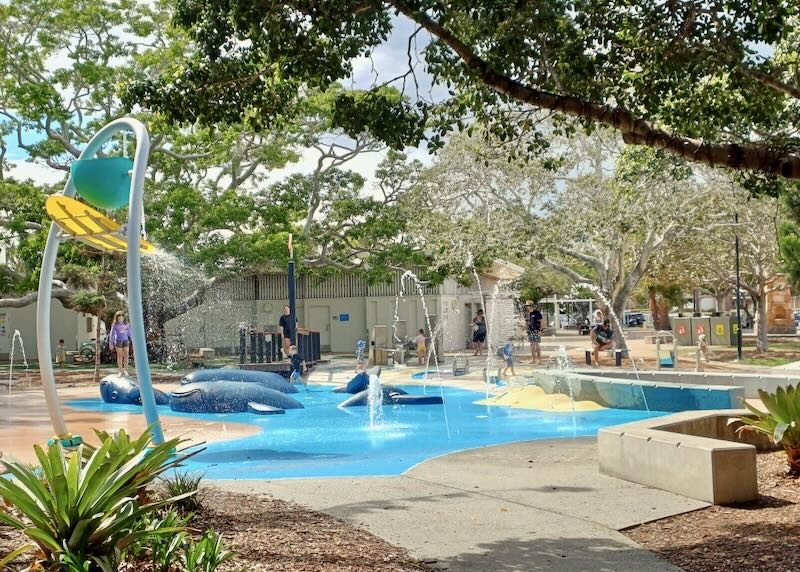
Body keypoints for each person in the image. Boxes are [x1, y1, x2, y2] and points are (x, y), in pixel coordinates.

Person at [109, 311, 131, 376]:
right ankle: (120, 371)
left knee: (126, 355)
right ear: (117, 318)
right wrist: (111, 343)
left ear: (124, 318)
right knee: (120, 356)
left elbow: (130, 332)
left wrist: (134, 340)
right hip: (118, 341)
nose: (120, 320)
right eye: (119, 319)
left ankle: (126, 370)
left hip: (125, 341)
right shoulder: (115, 325)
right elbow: (112, 334)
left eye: (121, 318)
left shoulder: (126, 324)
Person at [525, 300, 543, 364]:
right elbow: (526, 322)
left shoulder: (537, 313)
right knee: (532, 346)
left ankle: (539, 360)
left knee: (537, 346)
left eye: (527, 306)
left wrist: (541, 330)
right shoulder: (527, 314)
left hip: (536, 331)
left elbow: (542, 321)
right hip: (530, 332)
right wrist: (526, 330)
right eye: (526, 306)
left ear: (531, 306)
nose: (527, 307)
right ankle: (533, 360)